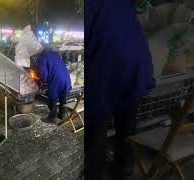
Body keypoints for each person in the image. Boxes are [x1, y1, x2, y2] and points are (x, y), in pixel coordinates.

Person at [86, 0, 156, 180]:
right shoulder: (121, 3)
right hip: (137, 68)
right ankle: (123, 170)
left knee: (96, 133)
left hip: (110, 69)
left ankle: (95, 173)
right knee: (126, 129)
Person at [36, 47, 72, 122]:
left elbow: (43, 73)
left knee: (52, 98)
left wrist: (44, 81)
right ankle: (62, 114)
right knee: (63, 97)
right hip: (66, 79)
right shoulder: (55, 55)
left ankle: (52, 117)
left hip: (56, 80)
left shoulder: (42, 57)